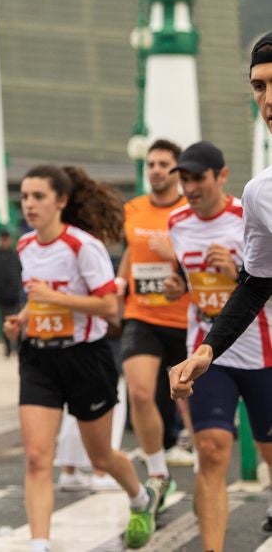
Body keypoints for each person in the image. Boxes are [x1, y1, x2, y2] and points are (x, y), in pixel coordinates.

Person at [5, 164, 156, 552]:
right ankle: (39, 545)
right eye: (25, 197)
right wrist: (20, 320)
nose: (30, 205)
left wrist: (56, 299)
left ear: (62, 201)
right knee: (38, 457)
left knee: (100, 455)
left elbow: (109, 305)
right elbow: (36, 297)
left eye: (39, 196)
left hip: (85, 359)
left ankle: (141, 497)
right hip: (39, 358)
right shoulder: (24, 246)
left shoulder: (81, 246)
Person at [171, 33, 272, 535]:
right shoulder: (261, 193)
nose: (269, 100)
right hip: (228, 350)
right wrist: (205, 350)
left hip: (267, 356)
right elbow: (257, 283)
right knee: (211, 449)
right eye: (259, 87)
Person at [115, 138, 190, 507]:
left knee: (190, 400)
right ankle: (159, 473)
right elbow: (131, 249)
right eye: (152, 164)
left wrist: (172, 251)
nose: (157, 170)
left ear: (177, 171)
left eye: (164, 164)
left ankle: (206, 461)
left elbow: (205, 258)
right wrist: (118, 282)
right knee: (140, 392)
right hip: (141, 314)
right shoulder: (133, 208)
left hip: (184, 318)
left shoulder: (188, 211)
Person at [0, 228, 22, 357]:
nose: (4, 241)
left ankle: (18, 347)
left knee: (18, 321)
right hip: (1, 296)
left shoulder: (16, 254)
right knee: (4, 322)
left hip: (15, 295)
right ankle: (7, 349)